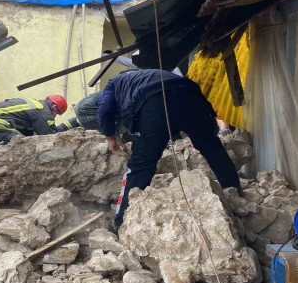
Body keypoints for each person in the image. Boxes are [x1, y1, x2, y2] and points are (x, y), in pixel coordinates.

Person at [97, 69, 241, 231]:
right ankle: (235, 192)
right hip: (191, 96)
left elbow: (104, 107)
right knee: (213, 148)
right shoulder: (152, 73)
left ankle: (121, 220)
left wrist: (110, 137)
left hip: (154, 104)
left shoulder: (113, 84)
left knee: (140, 166)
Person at [0, 94, 67, 146]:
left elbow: (26, 128)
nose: (55, 117)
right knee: (22, 144)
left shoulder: (35, 103)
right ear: (54, 107)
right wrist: (68, 125)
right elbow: (50, 136)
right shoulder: (43, 113)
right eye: (57, 113)